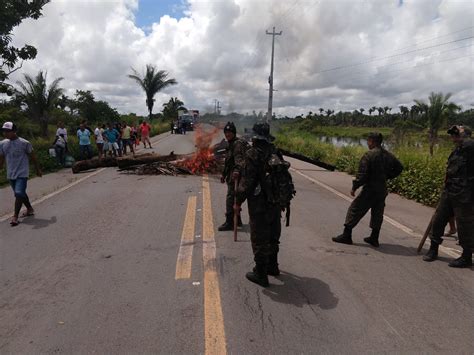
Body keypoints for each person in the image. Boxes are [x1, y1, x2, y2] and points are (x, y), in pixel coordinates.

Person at [332, 132, 403, 247]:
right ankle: (374, 238)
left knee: (354, 209)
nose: (367, 143)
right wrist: (387, 176)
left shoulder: (369, 155)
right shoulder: (388, 155)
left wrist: (354, 187)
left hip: (370, 189)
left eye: (368, 141)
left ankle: (347, 235)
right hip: (382, 189)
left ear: (372, 141)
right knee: (378, 213)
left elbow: (362, 175)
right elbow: (399, 168)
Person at [234, 122, 282, 287]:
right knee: (273, 234)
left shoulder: (253, 154)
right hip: (276, 200)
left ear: (255, 138)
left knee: (259, 237)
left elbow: (247, 183)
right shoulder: (274, 151)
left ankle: (261, 273)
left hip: (260, 203)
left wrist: (237, 201)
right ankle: (273, 266)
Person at [423, 125, 473, 268]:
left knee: (464, 225)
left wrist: (462, 133)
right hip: (449, 191)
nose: (453, 136)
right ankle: (433, 250)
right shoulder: (457, 150)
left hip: (465, 194)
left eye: (457, 134)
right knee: (438, 220)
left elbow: (468, 142)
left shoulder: (470, 147)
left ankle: (466, 257)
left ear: (466, 135)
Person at [0, 121, 42, 227]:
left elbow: (33, 157)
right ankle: (29, 209)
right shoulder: (2, 143)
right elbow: (2, 157)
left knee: (18, 193)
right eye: (4, 131)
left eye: (8, 131)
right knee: (21, 193)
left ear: (14, 131)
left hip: (22, 173)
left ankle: (15, 216)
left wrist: (38, 169)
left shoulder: (24, 143)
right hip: (11, 173)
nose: (5, 133)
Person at [218, 122, 247, 231]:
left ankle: (229, 222)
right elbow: (228, 162)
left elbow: (238, 162)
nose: (227, 135)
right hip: (231, 175)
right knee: (236, 198)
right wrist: (224, 174)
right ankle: (238, 220)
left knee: (231, 198)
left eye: (229, 132)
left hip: (238, 176)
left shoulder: (237, 144)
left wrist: (236, 172)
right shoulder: (230, 144)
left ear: (234, 133)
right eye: (226, 133)